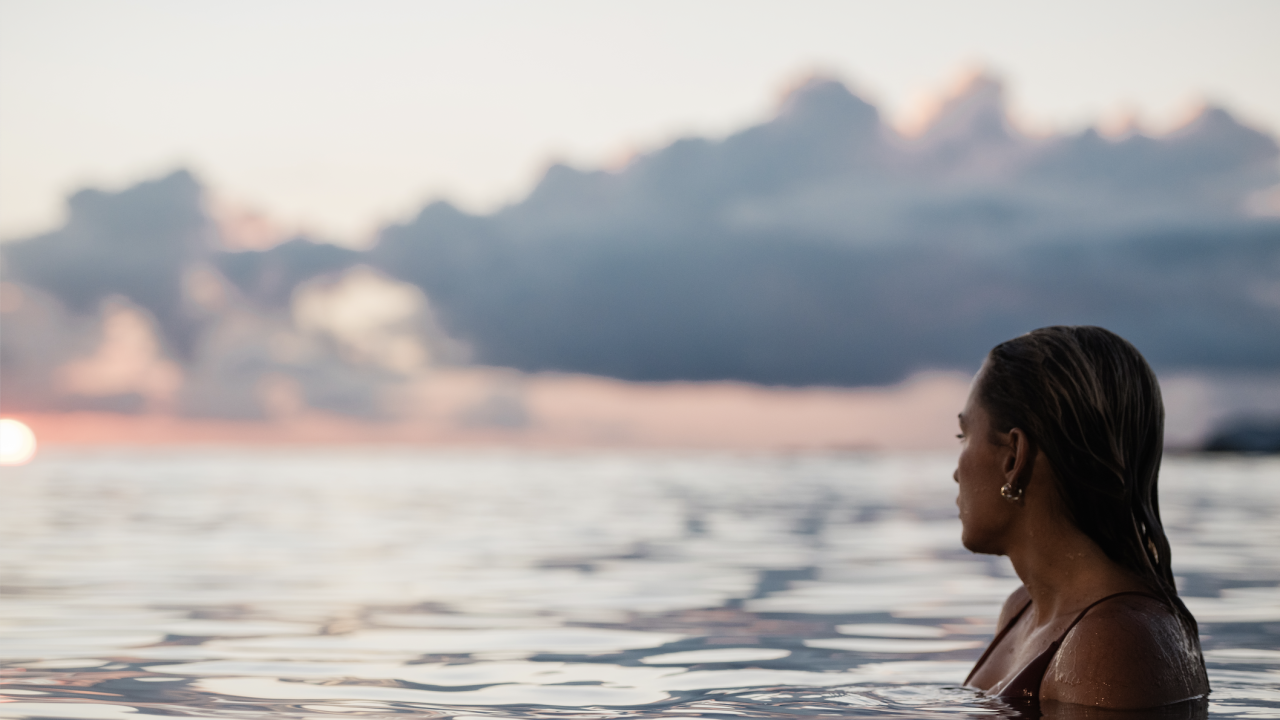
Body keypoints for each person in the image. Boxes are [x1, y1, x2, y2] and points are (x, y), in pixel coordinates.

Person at [955, 326, 1209, 712]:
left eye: (963, 436)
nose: (956, 472)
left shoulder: (1110, 640)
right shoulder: (1022, 609)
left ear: (1013, 456)